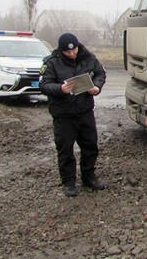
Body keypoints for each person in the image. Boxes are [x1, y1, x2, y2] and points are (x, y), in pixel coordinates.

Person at [40, 32, 107, 197]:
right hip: (63, 114)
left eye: (74, 50)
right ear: (61, 50)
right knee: (65, 149)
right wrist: (60, 89)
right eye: (68, 52)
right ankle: (69, 182)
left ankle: (89, 176)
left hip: (85, 111)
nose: (72, 54)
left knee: (90, 146)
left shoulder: (87, 57)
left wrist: (96, 87)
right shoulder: (51, 63)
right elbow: (44, 85)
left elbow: (100, 73)